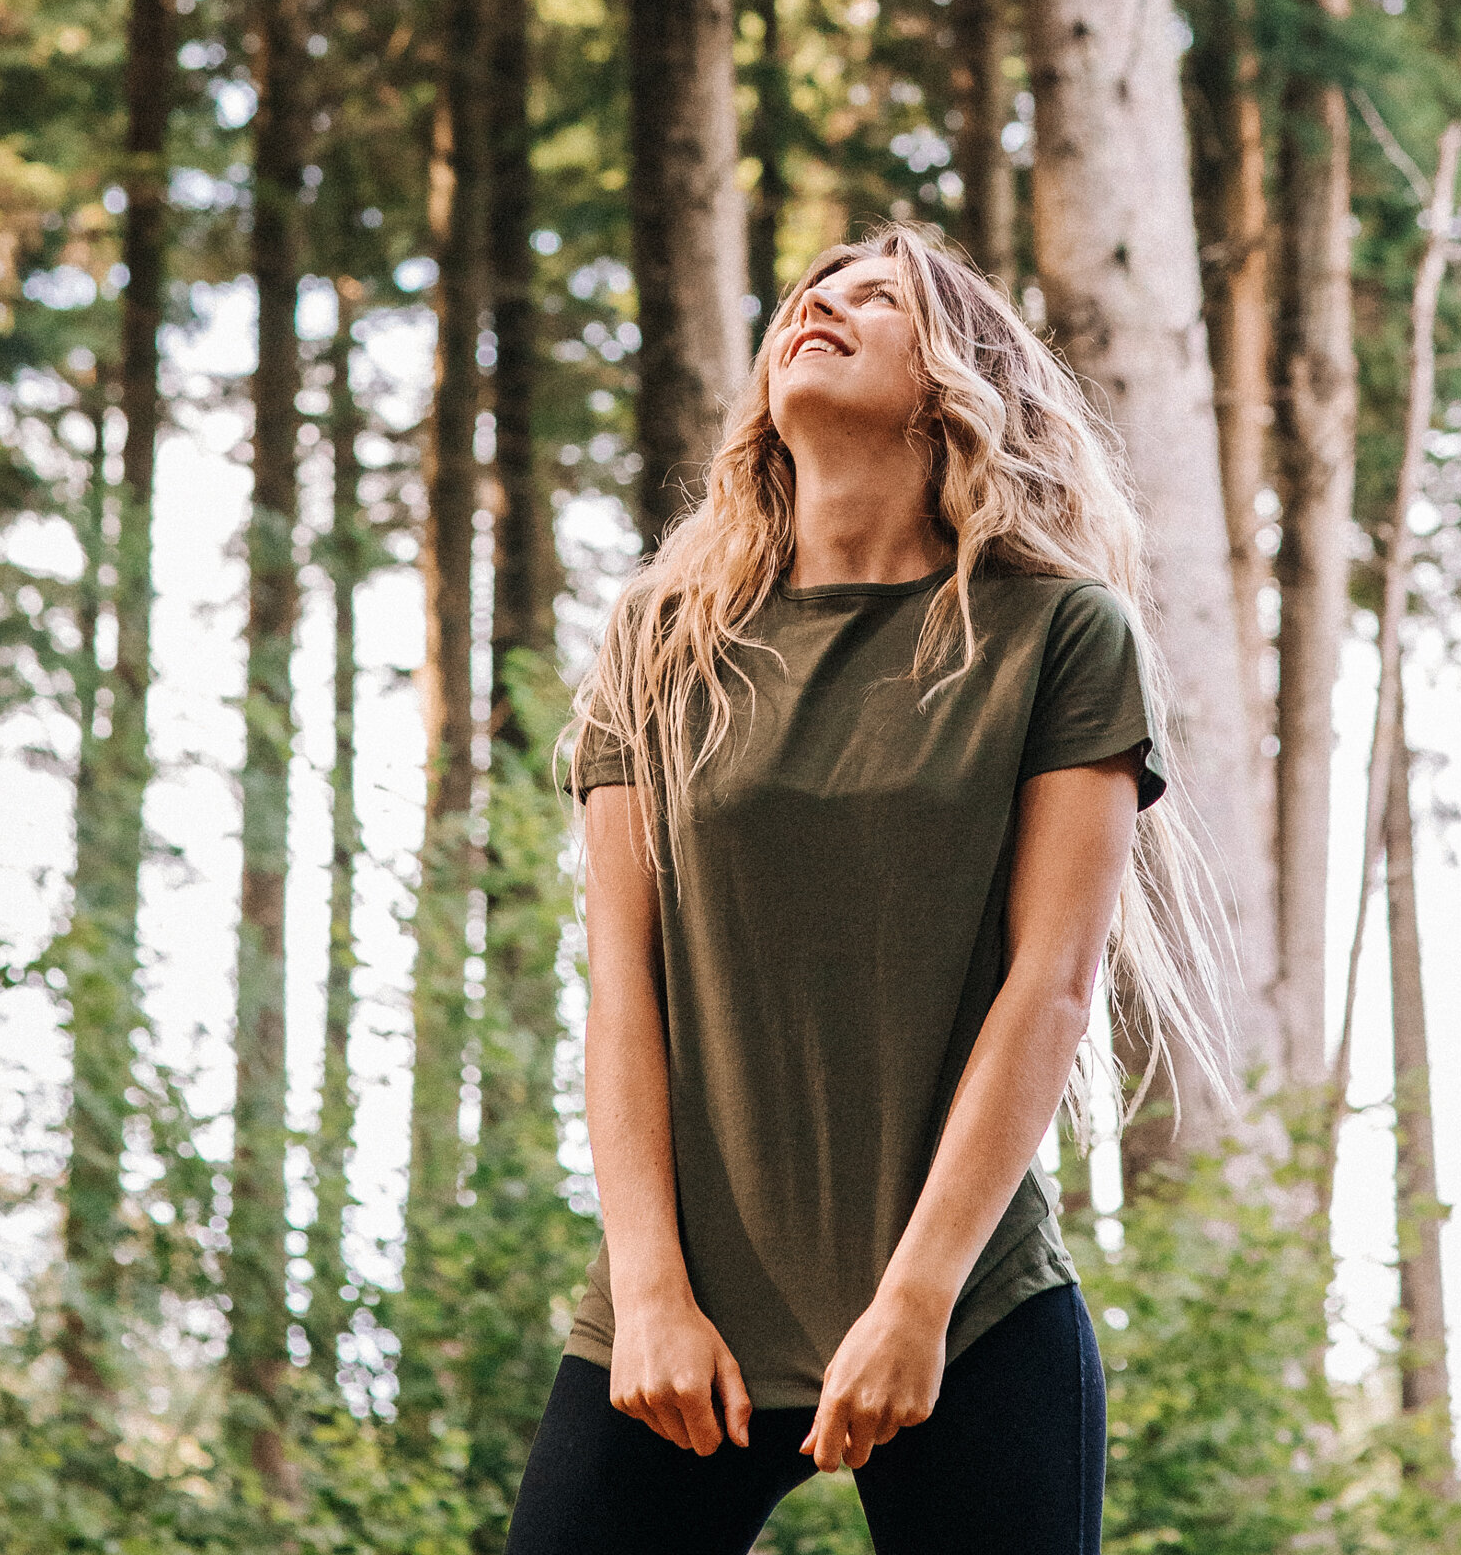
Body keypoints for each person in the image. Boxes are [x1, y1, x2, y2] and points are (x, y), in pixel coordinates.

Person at [506, 224, 1228, 1555]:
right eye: (807, 295)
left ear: (962, 381)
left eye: (874, 298)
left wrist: (916, 1305)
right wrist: (651, 1291)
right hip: (682, 1319)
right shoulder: (659, 639)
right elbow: (624, 989)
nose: (820, 307)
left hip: (968, 1305)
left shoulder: (1060, 636)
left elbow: (1052, 985)